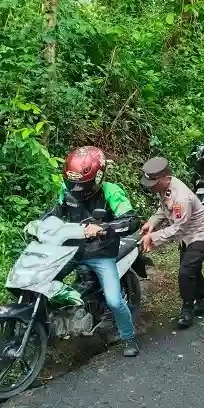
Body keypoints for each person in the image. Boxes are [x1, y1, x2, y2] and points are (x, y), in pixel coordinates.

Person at [46, 146, 140, 357]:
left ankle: (129, 337)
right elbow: (54, 212)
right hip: (71, 250)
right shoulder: (65, 189)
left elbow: (132, 220)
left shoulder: (111, 191)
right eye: (73, 183)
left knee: (115, 300)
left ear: (97, 177)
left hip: (101, 253)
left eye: (82, 183)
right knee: (43, 280)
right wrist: (43, 224)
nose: (76, 188)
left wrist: (106, 228)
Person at [138, 156, 204, 329]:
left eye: (154, 184)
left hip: (202, 233)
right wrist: (152, 223)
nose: (152, 188)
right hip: (187, 234)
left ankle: (187, 308)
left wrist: (153, 237)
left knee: (185, 272)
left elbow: (178, 228)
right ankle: (203, 301)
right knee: (192, 269)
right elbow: (163, 208)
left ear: (166, 178)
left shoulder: (181, 197)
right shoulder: (166, 186)